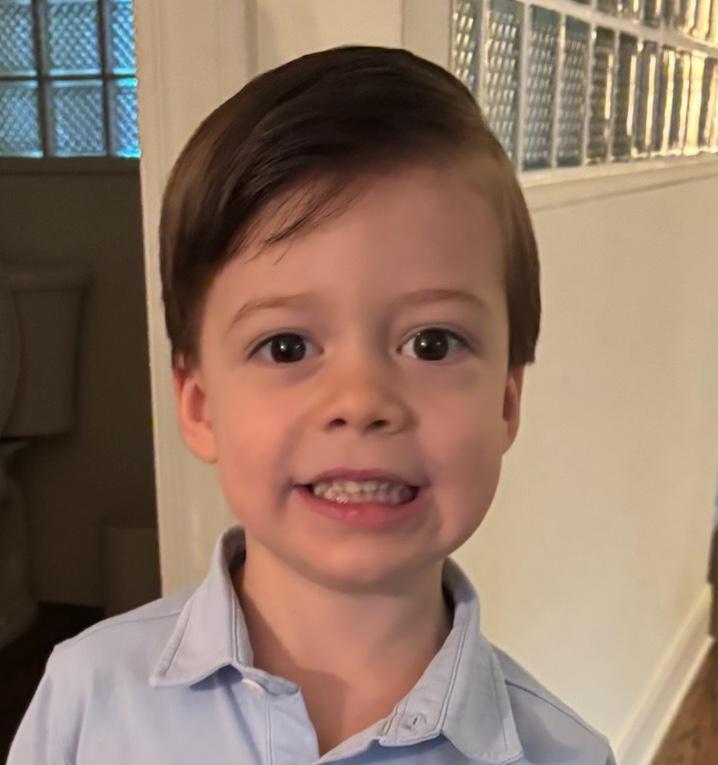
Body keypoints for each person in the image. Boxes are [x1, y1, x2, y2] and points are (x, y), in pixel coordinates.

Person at [8, 45, 616, 764]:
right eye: (287, 346)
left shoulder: (564, 755)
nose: (360, 402)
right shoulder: (88, 694)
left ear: (506, 402)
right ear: (199, 406)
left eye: (432, 344)